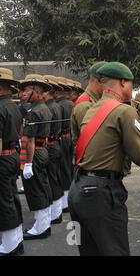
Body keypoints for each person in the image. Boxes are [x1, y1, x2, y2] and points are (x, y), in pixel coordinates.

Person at [68, 61, 140, 256]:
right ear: (122, 83)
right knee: (115, 251)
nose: (131, 88)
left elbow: (112, 143)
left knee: (90, 251)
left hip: (78, 190)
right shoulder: (124, 110)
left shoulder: (92, 109)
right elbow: (138, 153)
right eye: (131, 83)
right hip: (101, 194)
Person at [19, 75, 53, 240]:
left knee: (36, 189)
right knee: (43, 187)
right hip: (42, 150)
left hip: (35, 153)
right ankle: (44, 224)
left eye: (27, 90)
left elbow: (30, 140)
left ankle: (39, 228)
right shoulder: (44, 107)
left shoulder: (34, 112)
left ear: (37, 93)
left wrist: (28, 164)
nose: (23, 93)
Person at [0, 68, 24, 255]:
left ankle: (9, 246)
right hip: (13, 155)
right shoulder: (14, 106)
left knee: (3, 201)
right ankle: (16, 239)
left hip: (3, 157)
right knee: (12, 196)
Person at [42, 75, 65, 225]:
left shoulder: (50, 107)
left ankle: (55, 213)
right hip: (55, 143)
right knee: (54, 177)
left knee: (52, 179)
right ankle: (56, 211)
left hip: (50, 144)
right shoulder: (55, 105)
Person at [71, 62, 108, 146]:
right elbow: (90, 141)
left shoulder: (96, 101)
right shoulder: (85, 104)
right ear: (98, 82)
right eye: (109, 84)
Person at [55, 77, 74, 212]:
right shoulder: (70, 104)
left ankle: (65, 202)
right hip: (69, 137)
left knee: (63, 169)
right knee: (67, 168)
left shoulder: (59, 105)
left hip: (61, 137)